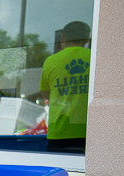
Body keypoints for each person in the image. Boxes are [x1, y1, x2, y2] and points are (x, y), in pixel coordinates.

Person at [40, 21, 91, 153]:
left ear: (62, 38)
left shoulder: (51, 61)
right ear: (86, 38)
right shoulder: (94, 58)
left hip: (58, 129)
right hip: (87, 129)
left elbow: (45, 94)